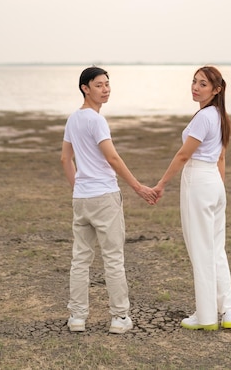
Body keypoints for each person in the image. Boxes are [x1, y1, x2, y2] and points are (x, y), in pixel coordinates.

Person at [60, 66, 157, 334]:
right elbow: (112, 158)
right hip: (103, 197)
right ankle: (119, 317)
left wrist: (77, 187)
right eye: (99, 85)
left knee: (80, 259)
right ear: (85, 88)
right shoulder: (95, 120)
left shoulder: (73, 119)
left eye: (107, 84)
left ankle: (77, 317)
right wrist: (138, 187)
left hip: (82, 199)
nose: (106, 89)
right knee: (113, 258)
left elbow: (65, 159)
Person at [153, 65, 231, 331]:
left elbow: (182, 155)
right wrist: (219, 189)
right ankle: (228, 311)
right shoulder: (221, 116)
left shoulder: (204, 118)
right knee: (215, 249)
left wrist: (161, 184)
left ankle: (206, 316)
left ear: (217, 89)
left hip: (200, 182)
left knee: (201, 250)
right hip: (213, 182)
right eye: (194, 82)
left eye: (203, 84)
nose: (195, 87)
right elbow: (221, 158)